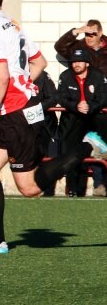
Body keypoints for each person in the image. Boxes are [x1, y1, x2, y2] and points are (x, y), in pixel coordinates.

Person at [0, 0, 107, 254]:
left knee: (29, 187)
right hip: (21, 107)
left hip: (13, 113)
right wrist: (22, 86)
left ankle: (88, 145)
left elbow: (1, 76)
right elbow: (38, 62)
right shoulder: (14, 26)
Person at [55, 19, 107, 196]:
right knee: (75, 149)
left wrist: (92, 105)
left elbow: (103, 92)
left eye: (92, 34)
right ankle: (74, 189)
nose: (89, 37)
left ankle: (101, 184)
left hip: (99, 109)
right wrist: (77, 31)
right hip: (78, 112)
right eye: (87, 34)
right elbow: (60, 46)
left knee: (101, 148)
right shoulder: (80, 49)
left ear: (100, 33)